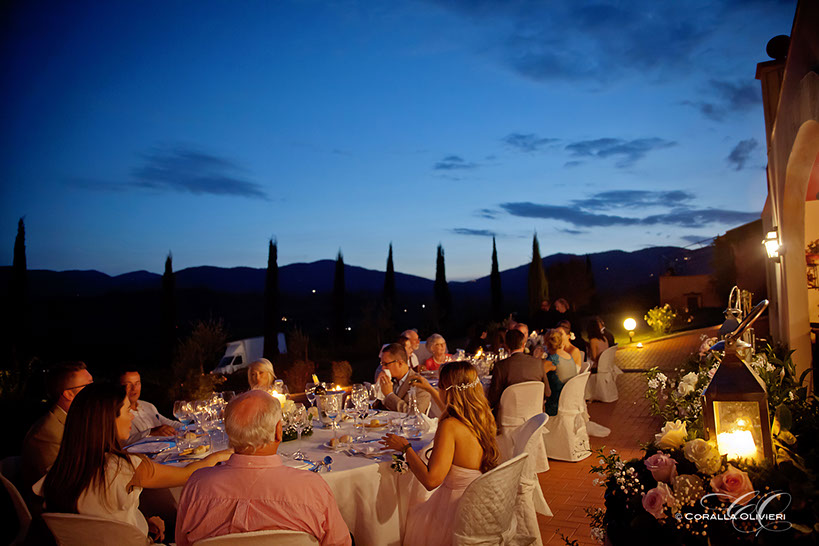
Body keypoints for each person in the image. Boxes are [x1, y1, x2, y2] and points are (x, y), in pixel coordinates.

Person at [40, 383, 231, 543]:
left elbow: (94, 523)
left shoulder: (56, 472)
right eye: (126, 410)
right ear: (108, 420)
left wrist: (142, 522)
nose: (132, 415)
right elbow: (188, 475)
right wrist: (218, 456)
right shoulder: (124, 468)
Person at [176, 391, 351, 546]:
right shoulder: (312, 488)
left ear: (229, 432)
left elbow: (182, 542)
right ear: (278, 431)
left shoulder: (196, 486)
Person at [381, 361, 500, 546]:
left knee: (409, 513)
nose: (437, 387)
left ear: (449, 390)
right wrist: (429, 389)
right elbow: (451, 409)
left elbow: (431, 481)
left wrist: (405, 448)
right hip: (479, 500)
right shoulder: (482, 415)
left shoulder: (449, 426)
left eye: (439, 385)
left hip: (456, 509)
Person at [21, 361, 93, 493]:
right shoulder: (47, 434)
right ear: (68, 394)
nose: (94, 392)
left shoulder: (77, 421)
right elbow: (63, 487)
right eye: (88, 386)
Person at [486, 329, 551, 414]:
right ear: (523, 344)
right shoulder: (538, 363)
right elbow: (547, 393)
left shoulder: (500, 366)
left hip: (508, 417)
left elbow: (493, 398)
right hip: (534, 417)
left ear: (506, 346)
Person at [119, 369, 182, 445]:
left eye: (137, 383)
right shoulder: (118, 413)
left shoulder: (148, 406)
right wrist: (150, 432)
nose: (134, 388)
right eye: (128, 384)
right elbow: (122, 442)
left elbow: (169, 423)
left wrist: (191, 426)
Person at [377, 343, 431, 414]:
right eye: (382, 364)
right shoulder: (390, 380)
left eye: (386, 364)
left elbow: (415, 413)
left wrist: (389, 395)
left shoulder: (419, 383)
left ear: (400, 363)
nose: (383, 368)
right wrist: (377, 387)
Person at [543, 329, 577, 416]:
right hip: (570, 399)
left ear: (547, 344)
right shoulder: (568, 355)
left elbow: (535, 374)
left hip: (556, 404)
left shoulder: (552, 360)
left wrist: (536, 357)